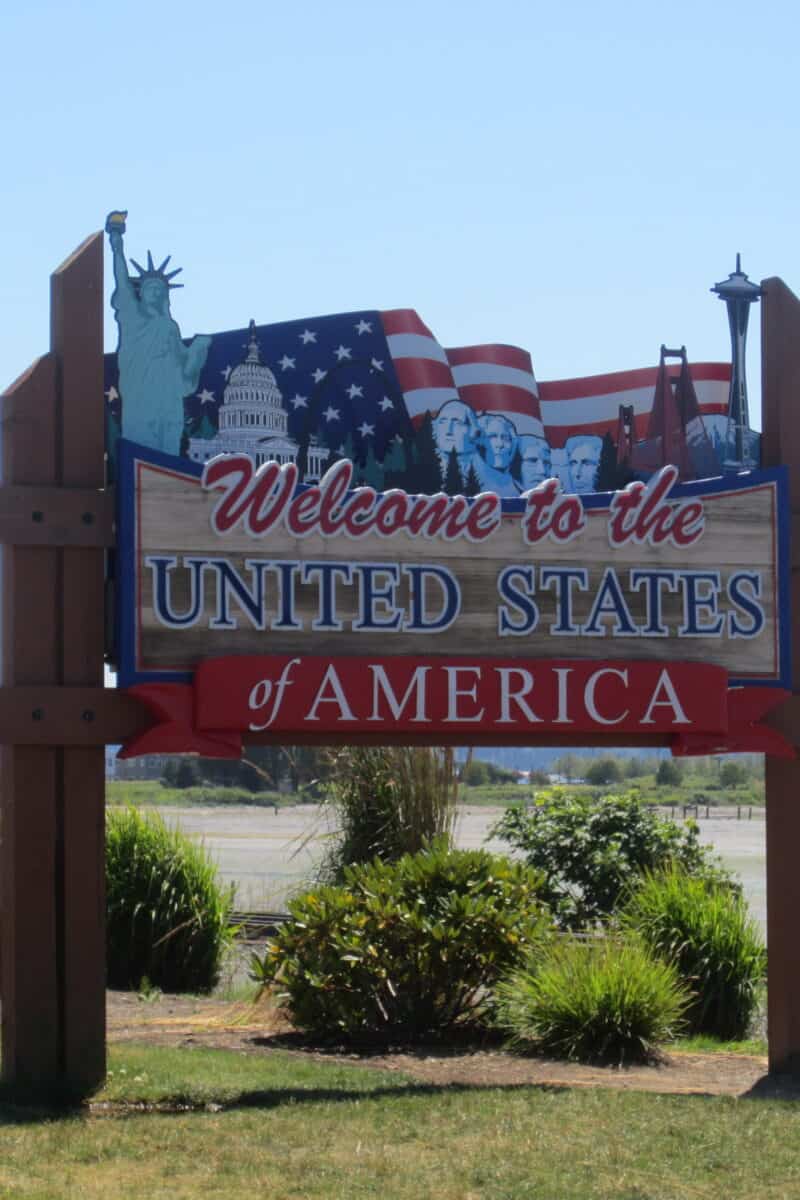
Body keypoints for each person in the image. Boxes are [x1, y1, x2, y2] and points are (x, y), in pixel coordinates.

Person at [107, 211, 211, 456]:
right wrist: (117, 247)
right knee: (142, 450)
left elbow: (185, 375)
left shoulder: (170, 327)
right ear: (140, 292)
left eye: (160, 289)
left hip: (168, 399)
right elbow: (122, 280)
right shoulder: (132, 317)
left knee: (168, 452)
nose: (155, 292)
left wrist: (197, 351)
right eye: (150, 287)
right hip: (142, 394)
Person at [474, 412, 521, 497]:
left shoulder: (521, 489)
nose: (500, 444)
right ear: (479, 442)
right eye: (492, 437)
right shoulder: (465, 485)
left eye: (505, 438)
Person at [433, 399, 481, 477]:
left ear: (473, 430)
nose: (448, 431)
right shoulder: (426, 470)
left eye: (457, 423)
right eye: (442, 421)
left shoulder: (487, 474)